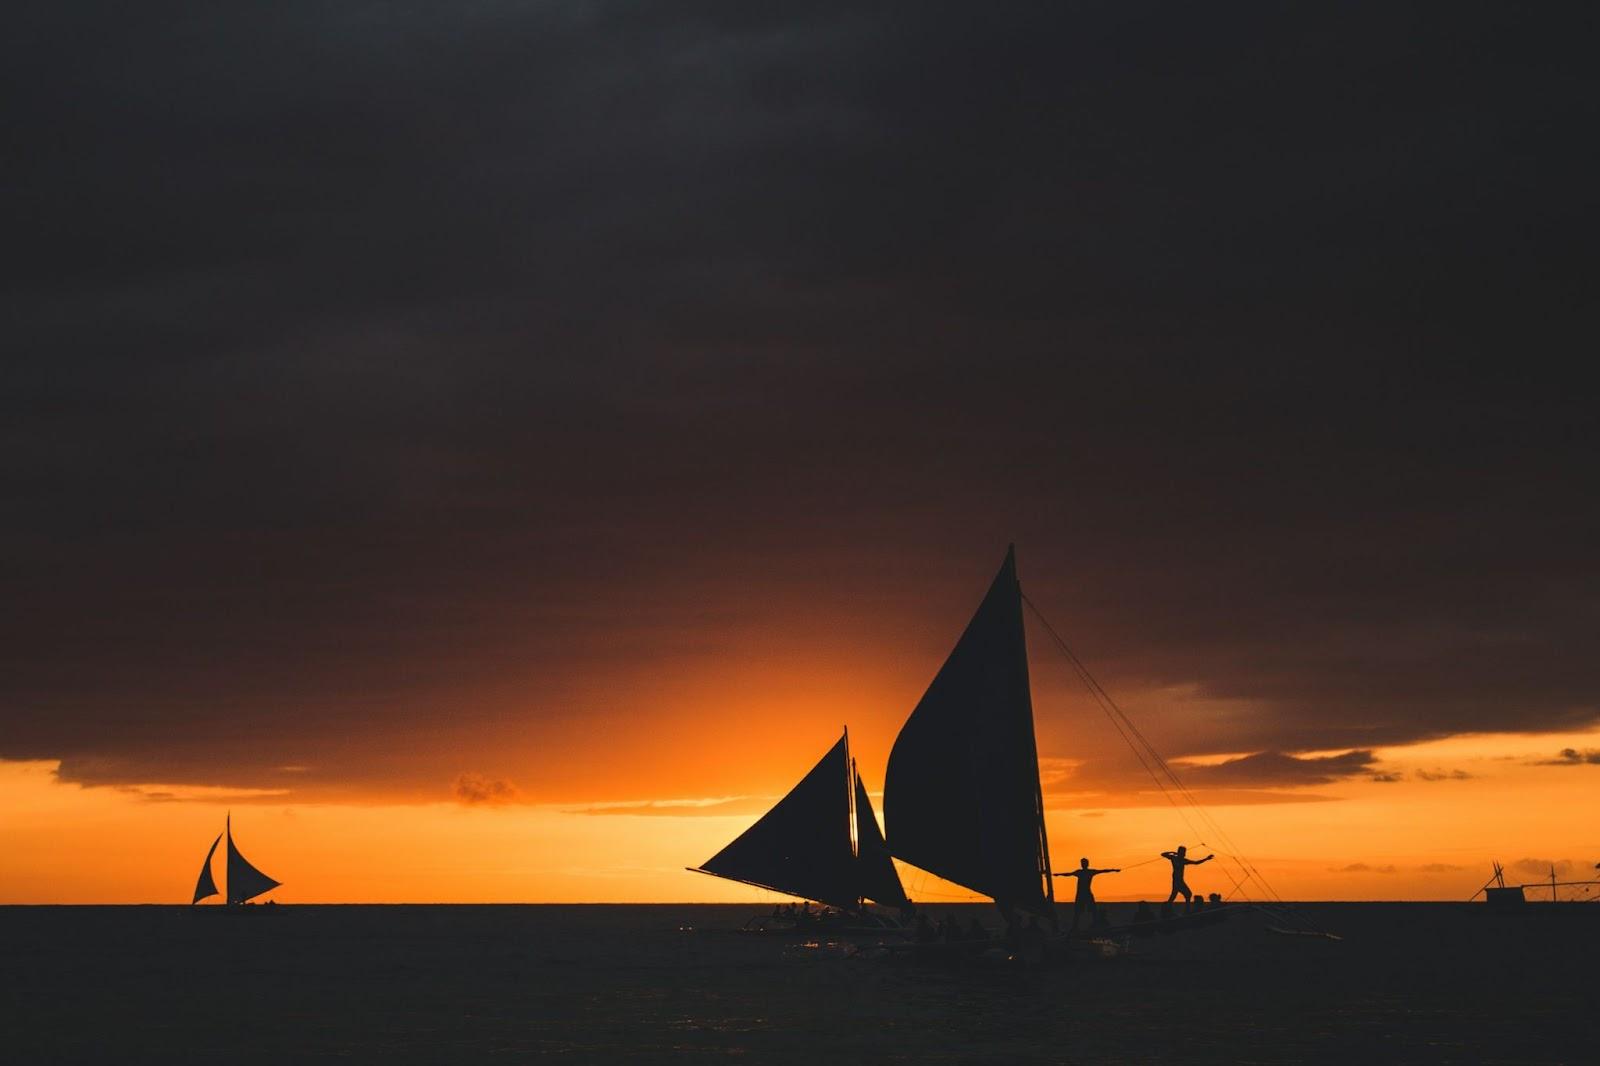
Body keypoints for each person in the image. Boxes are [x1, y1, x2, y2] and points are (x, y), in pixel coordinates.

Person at [1054, 857, 1120, 932]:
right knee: (1079, 911)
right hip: (1082, 894)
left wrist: (1114, 870)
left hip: (1085, 894)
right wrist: (1058, 874)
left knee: (1091, 910)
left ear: (1086, 864)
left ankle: (1093, 925)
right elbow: (1068, 874)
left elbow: (1103, 871)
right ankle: (1075, 927)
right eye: (1082, 863)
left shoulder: (1086, 872)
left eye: (1084, 863)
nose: (1083, 864)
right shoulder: (1081, 872)